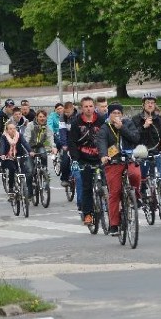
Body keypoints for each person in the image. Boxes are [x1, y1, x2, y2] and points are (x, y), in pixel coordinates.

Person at [97, 103, 141, 235]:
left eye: (119, 113)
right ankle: (114, 224)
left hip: (129, 158)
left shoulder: (128, 123)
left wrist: (122, 128)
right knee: (114, 192)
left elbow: (136, 138)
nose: (116, 116)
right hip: (113, 161)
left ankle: (135, 196)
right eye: (113, 113)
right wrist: (104, 155)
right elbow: (102, 142)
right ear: (109, 115)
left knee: (135, 174)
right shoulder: (105, 127)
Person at [131, 93, 161, 201]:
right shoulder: (136, 119)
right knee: (142, 176)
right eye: (148, 103)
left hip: (156, 151)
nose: (150, 105)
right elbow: (133, 136)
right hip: (142, 152)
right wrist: (144, 126)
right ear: (143, 105)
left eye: (152, 103)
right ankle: (141, 191)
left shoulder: (160, 120)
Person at [68, 96, 105, 225]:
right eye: (86, 106)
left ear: (94, 107)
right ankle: (88, 213)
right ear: (81, 108)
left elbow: (107, 138)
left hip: (100, 157)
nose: (88, 109)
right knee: (87, 187)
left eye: (90, 106)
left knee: (107, 184)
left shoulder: (101, 120)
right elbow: (72, 142)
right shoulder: (76, 122)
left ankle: (108, 208)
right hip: (84, 158)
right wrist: (75, 160)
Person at [0, 120, 33, 196]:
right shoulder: (4, 137)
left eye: (14, 128)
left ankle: (26, 188)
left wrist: (30, 151)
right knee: (12, 169)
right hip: (8, 157)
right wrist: (2, 154)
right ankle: (11, 188)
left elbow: (25, 143)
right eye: (10, 129)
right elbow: (2, 146)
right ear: (7, 130)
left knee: (25, 170)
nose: (12, 130)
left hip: (18, 156)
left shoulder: (19, 135)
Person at [26, 110, 55, 174]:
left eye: (44, 117)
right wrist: (28, 150)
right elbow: (27, 138)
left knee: (44, 155)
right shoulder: (30, 125)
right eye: (40, 117)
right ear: (36, 117)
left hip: (40, 146)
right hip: (30, 146)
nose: (42, 118)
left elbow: (50, 137)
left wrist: (53, 147)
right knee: (30, 169)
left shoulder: (47, 126)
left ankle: (44, 171)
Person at [58, 101, 78, 187]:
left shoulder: (79, 116)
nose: (66, 114)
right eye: (65, 112)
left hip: (77, 139)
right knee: (65, 159)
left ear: (73, 109)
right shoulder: (62, 117)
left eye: (68, 112)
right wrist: (64, 144)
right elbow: (62, 132)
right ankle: (64, 178)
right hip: (67, 139)